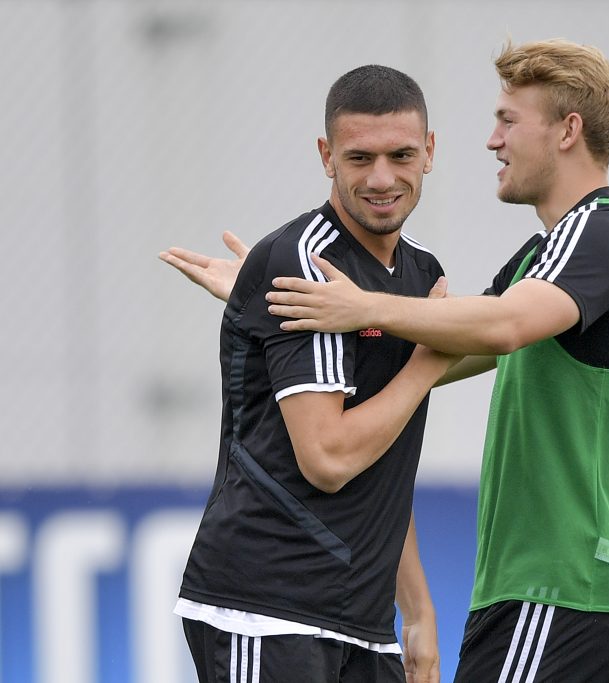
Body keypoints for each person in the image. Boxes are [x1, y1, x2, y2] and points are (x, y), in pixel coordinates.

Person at [240, 39, 609, 682]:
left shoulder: (602, 233)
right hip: (540, 588)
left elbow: (502, 325)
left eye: (508, 121)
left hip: (564, 584)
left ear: (567, 131)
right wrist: (279, 303)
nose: (493, 141)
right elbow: (438, 349)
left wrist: (363, 306)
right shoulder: (548, 253)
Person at [159, 65, 456, 683]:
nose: (382, 178)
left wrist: (418, 611)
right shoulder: (305, 263)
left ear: (429, 151)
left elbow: (382, 457)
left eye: (401, 155)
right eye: (359, 158)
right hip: (266, 607)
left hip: (362, 620)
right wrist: (429, 359)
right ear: (326, 156)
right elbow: (329, 457)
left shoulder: (421, 273)